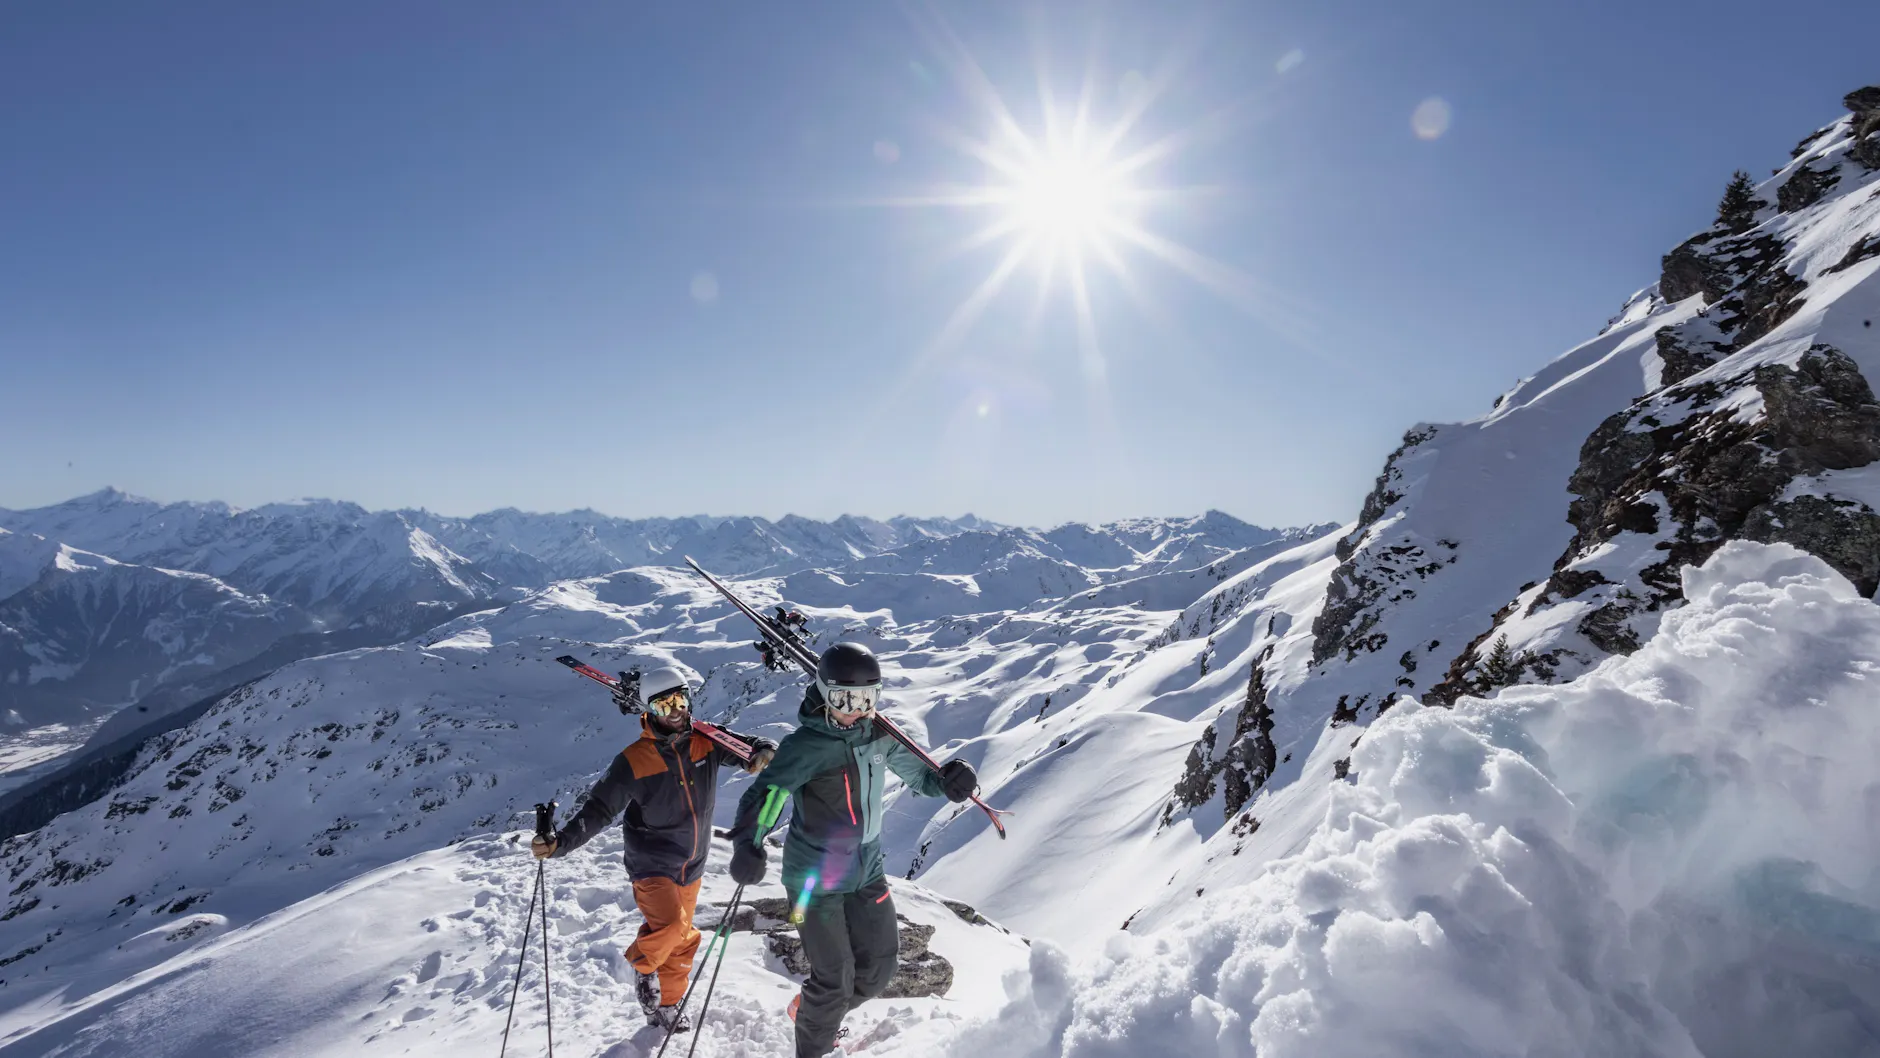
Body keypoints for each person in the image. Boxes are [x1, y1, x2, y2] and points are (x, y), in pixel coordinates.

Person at [726, 642, 978, 1058]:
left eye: (867, 698)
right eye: (845, 698)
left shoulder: (880, 733)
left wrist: (950, 780)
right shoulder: (806, 745)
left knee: (880, 968)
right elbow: (768, 795)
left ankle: (811, 1014)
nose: (856, 708)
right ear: (825, 693)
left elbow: (923, 778)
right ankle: (816, 1044)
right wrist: (748, 841)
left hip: (867, 870)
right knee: (833, 980)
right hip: (813, 879)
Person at [532, 666, 777, 1033]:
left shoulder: (705, 740)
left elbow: (748, 748)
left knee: (681, 943)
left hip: (692, 864)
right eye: (664, 705)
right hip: (652, 862)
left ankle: (667, 1005)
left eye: (680, 699)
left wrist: (762, 751)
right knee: (675, 928)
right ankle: (643, 965)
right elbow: (599, 810)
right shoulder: (634, 760)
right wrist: (560, 843)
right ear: (650, 711)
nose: (675, 710)